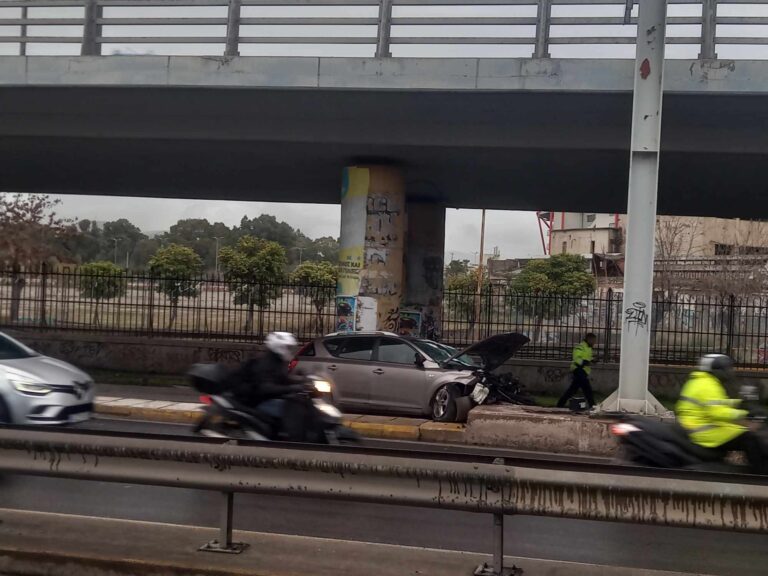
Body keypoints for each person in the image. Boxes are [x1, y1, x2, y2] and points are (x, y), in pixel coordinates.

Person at [676, 354, 766, 474]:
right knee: (749, 437)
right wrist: (744, 414)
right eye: (727, 369)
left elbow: (718, 403)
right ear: (718, 370)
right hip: (702, 432)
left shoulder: (702, 381)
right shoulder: (706, 386)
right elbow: (717, 412)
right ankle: (761, 472)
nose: (730, 372)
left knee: (744, 430)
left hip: (703, 425)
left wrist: (739, 403)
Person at [557, 333, 597, 409]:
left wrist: (592, 360)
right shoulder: (580, 346)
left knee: (572, 390)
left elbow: (587, 358)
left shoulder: (589, 348)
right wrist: (585, 362)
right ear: (589, 339)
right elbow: (577, 358)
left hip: (583, 371)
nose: (594, 342)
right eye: (593, 340)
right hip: (578, 370)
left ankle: (560, 404)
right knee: (587, 389)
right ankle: (592, 405)